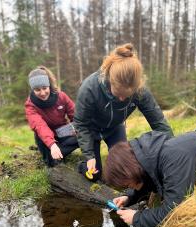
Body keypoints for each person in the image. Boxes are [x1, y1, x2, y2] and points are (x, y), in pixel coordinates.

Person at [103, 113, 196, 227]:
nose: (129, 187)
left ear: (131, 171)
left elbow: (175, 210)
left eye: (127, 184)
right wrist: (129, 197)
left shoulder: (174, 159)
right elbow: (151, 176)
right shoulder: (154, 153)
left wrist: (137, 218)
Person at [74, 43, 173, 180]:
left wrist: (172, 149)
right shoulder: (89, 88)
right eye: (118, 94)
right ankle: (82, 165)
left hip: (115, 127)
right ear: (110, 79)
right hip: (92, 129)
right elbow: (81, 124)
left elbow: (159, 123)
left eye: (126, 96)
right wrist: (89, 156)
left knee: (127, 168)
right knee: (95, 174)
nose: (121, 99)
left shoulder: (140, 91)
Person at [25, 66, 78, 167]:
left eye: (44, 88)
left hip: (62, 131)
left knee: (87, 133)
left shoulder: (61, 96)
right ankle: (54, 155)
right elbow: (40, 126)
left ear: (49, 85)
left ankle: (59, 152)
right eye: (37, 90)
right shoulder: (30, 105)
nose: (42, 93)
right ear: (33, 90)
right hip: (45, 138)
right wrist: (52, 144)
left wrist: (82, 129)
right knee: (52, 163)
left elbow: (76, 116)